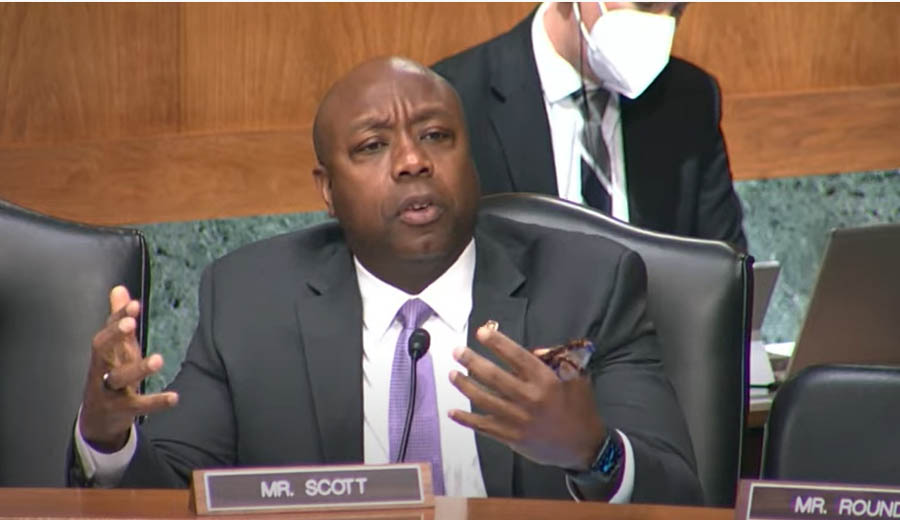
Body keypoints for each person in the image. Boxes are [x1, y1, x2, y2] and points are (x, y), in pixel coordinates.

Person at [70, 56, 702, 505]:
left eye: (436, 136)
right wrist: (108, 437)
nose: (412, 161)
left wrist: (595, 452)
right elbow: (173, 494)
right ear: (326, 189)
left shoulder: (589, 283)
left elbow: (685, 498)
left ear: (470, 157)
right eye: (372, 146)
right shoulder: (249, 300)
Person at [432, 2, 748, 251]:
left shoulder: (689, 99)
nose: (661, 25)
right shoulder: (454, 101)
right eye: (645, 4)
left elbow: (725, 271)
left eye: (677, 10)